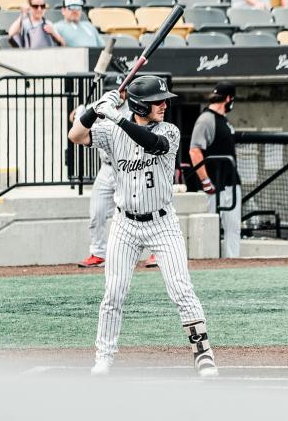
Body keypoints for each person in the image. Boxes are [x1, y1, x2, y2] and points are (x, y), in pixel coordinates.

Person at [68, 76, 218, 377]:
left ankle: (203, 355)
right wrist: (95, 111)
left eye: (164, 100)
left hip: (162, 223)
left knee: (181, 289)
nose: (164, 104)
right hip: (125, 223)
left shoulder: (169, 131)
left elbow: (152, 143)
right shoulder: (110, 130)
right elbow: (75, 135)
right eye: (157, 101)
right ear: (139, 104)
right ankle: (104, 357)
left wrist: (115, 118)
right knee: (114, 292)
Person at [77, 73, 157, 269]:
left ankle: (156, 252)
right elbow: (79, 131)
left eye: (122, 90)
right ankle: (98, 253)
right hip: (106, 169)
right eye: (117, 89)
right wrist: (82, 115)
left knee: (146, 208)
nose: (120, 93)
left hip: (129, 167)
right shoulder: (100, 106)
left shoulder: (133, 110)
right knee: (97, 212)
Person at [189, 83, 241, 258]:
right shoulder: (206, 119)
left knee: (233, 228)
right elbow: (194, 150)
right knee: (209, 229)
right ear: (228, 98)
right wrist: (205, 181)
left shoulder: (223, 119)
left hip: (230, 182)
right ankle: (209, 264)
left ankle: (232, 263)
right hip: (213, 185)